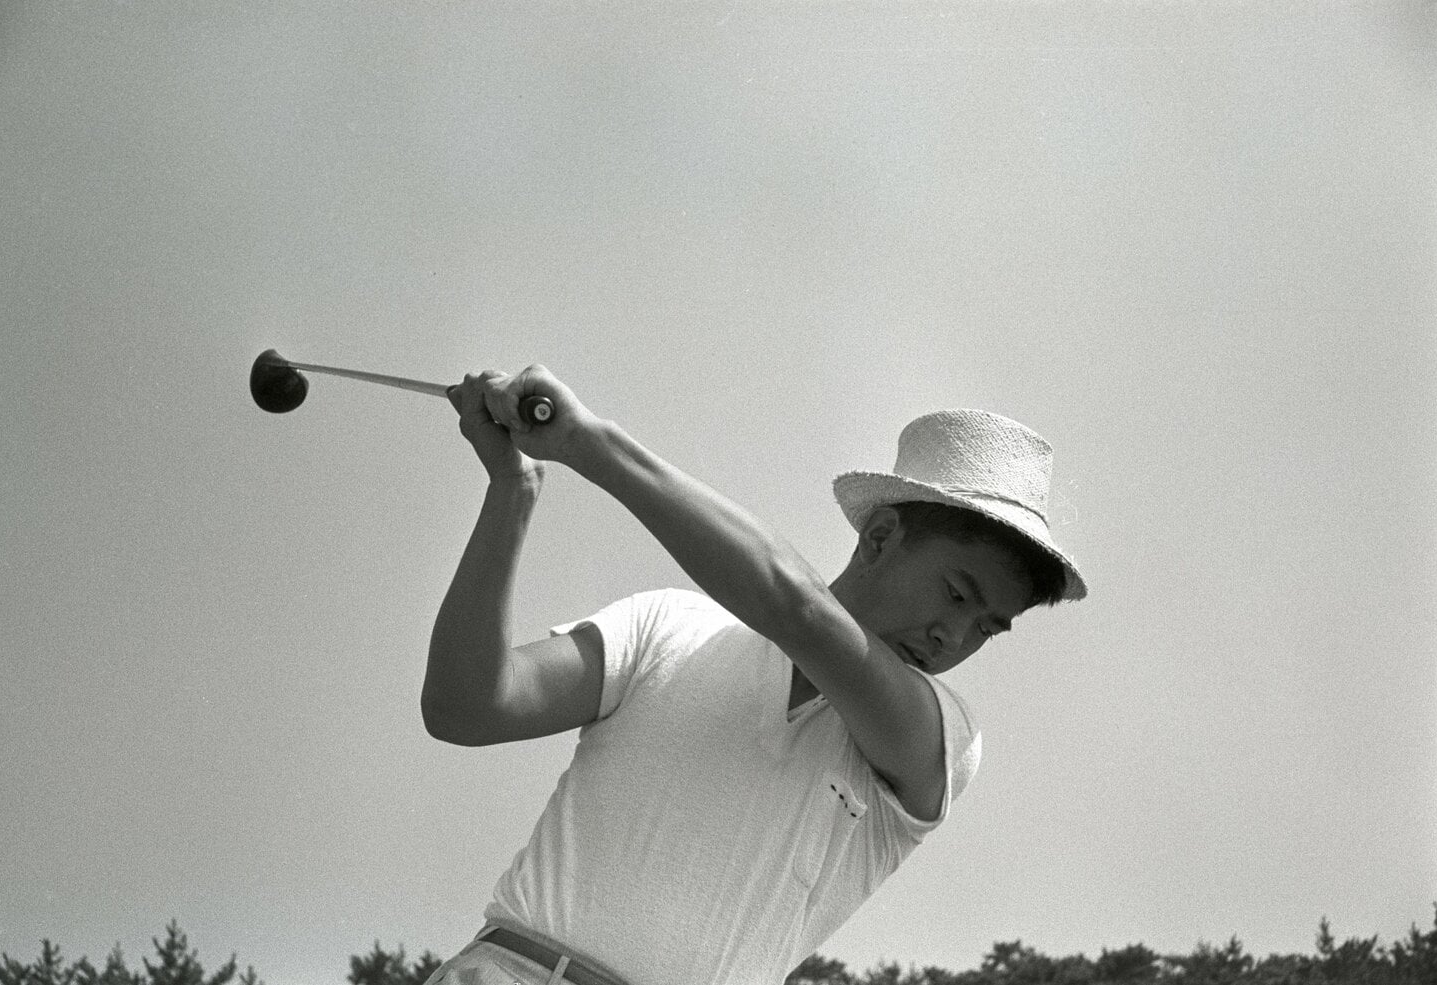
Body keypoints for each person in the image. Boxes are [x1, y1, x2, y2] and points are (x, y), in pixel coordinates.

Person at [420, 365, 1087, 985]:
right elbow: (466, 705)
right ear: (880, 537)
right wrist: (511, 491)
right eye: (957, 594)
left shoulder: (941, 740)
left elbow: (796, 607)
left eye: (987, 627)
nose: (955, 637)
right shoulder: (667, 624)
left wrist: (585, 441)